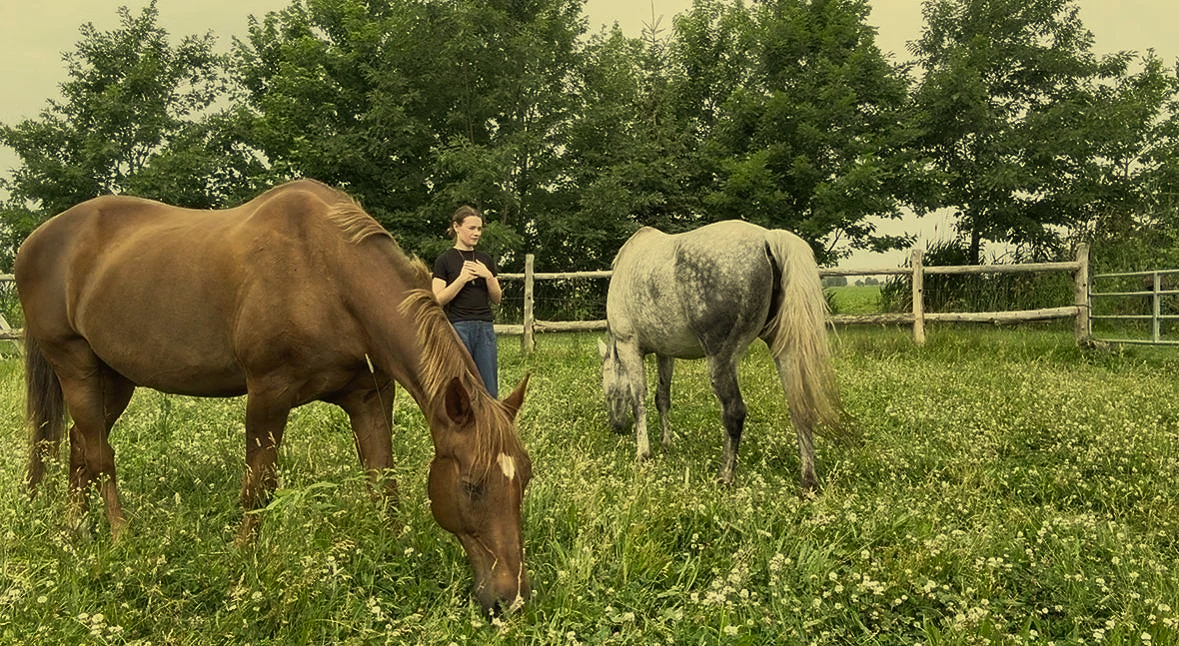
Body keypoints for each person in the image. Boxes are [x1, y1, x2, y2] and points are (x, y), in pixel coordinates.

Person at [432, 205, 502, 397]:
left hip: (485, 327)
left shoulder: (484, 259)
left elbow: (497, 299)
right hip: (458, 327)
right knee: (461, 384)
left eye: (479, 229)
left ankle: (490, 423)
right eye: (472, 228)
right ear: (457, 227)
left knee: (489, 387)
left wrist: (488, 276)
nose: (477, 233)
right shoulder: (445, 260)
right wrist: (461, 279)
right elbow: (437, 300)